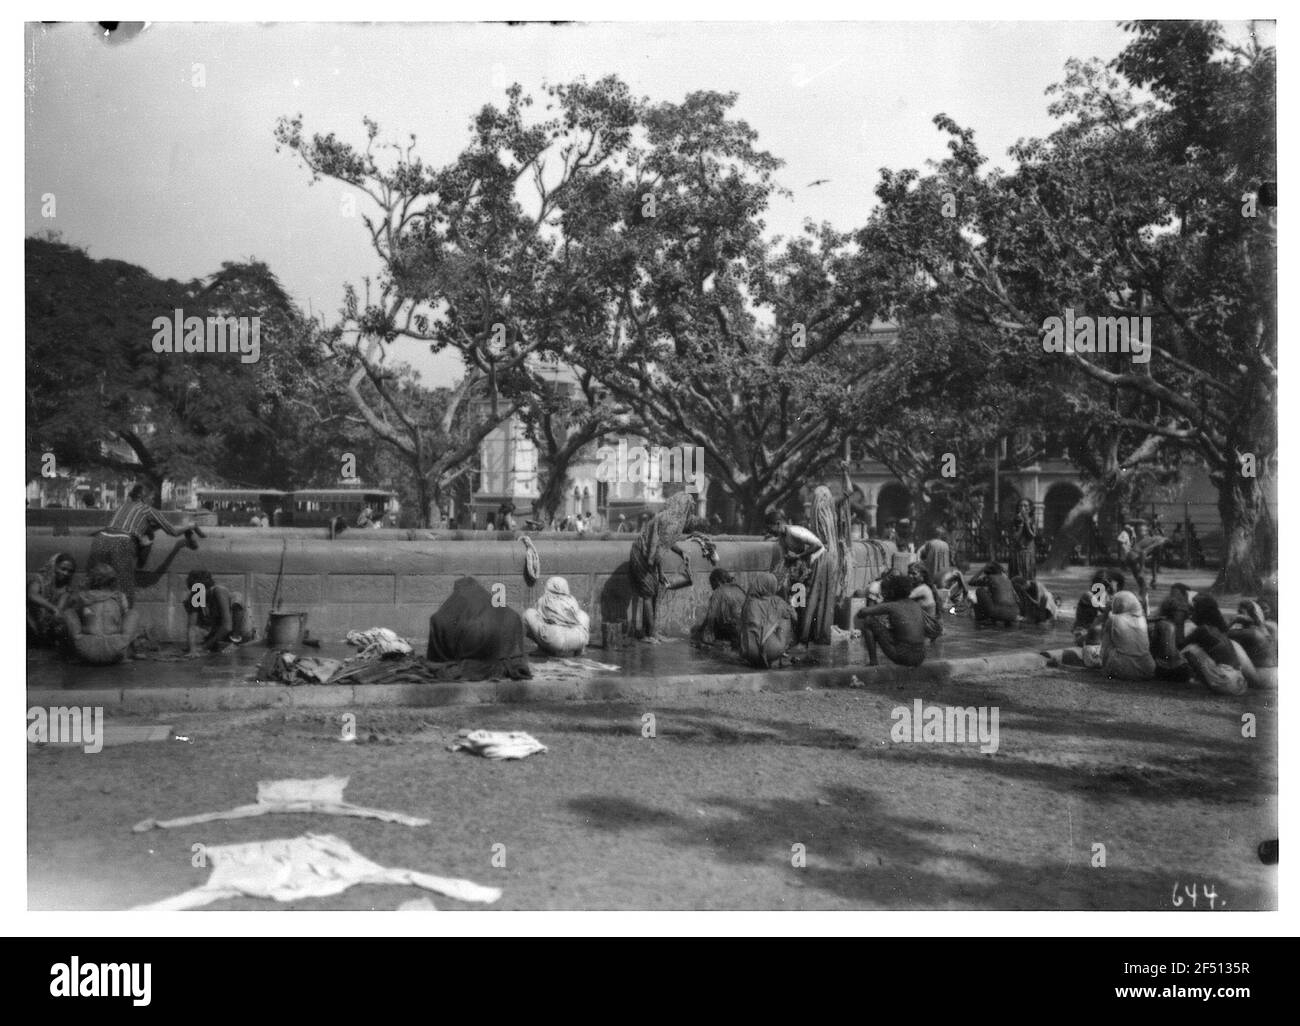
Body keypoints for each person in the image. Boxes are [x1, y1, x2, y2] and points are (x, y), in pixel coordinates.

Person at [89, 484, 203, 607]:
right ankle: (126, 617)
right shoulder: (148, 510)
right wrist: (191, 526)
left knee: (96, 583)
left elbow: (122, 527)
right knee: (125, 588)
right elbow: (173, 532)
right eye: (151, 497)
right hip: (121, 542)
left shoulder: (122, 506)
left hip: (100, 540)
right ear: (142, 497)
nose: (153, 500)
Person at [627, 492, 716, 641]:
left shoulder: (670, 517)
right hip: (642, 555)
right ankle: (649, 634)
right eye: (689, 508)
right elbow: (659, 551)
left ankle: (649, 631)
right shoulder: (672, 520)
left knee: (653, 592)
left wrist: (681, 552)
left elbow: (666, 541)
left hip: (646, 554)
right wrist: (661, 573)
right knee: (648, 593)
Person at [426, 577, 532, 679]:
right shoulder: (508, 613)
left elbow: (439, 623)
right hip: (498, 655)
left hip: (472, 649)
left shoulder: (445, 615)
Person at [63, 562, 139, 666]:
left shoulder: (82, 596)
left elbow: (73, 617)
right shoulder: (120, 597)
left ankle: (74, 656)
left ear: (91, 579)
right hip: (116, 649)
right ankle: (126, 655)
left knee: (68, 612)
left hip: (86, 650)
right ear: (113, 580)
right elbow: (125, 620)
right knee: (132, 613)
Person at [1181, 594, 1253, 696]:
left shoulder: (1202, 630)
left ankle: (1208, 686)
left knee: (1190, 650)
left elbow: (1180, 645)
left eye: (1193, 610)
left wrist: (1180, 621)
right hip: (1240, 683)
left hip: (1227, 684)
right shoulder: (1219, 630)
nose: (1191, 613)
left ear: (1200, 612)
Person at [858, 571, 929, 668]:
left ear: (892, 591)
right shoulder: (915, 605)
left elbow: (862, 612)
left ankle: (873, 662)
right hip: (920, 656)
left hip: (903, 656)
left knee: (868, 621)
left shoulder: (893, 605)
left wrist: (883, 605)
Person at [735, 572, 796, 668]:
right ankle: (778, 655)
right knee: (786, 616)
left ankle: (757, 658)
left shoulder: (748, 603)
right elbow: (795, 617)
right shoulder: (777, 601)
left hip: (749, 652)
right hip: (772, 650)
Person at [182, 569, 249, 655]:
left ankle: (235, 641)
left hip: (238, 630)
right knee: (188, 601)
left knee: (237, 598)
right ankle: (218, 641)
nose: (197, 594)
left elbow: (227, 626)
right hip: (220, 630)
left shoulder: (219, 591)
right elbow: (191, 626)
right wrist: (192, 649)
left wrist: (204, 647)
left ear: (207, 587)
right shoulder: (195, 595)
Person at [523, 576, 590, 656]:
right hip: (578, 639)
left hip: (554, 640)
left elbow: (538, 617)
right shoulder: (572, 600)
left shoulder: (544, 600)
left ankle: (543, 649)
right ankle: (580, 649)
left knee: (528, 613)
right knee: (582, 614)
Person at [1099, 590, 1156, 680]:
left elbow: (1105, 644)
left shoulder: (1113, 619)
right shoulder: (1142, 620)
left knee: (1110, 642)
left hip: (1122, 668)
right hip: (1147, 669)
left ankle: (1105, 669)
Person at [28, 552, 78, 647]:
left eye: (70, 571)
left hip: (46, 625)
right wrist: (52, 608)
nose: (66, 573)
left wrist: (56, 615)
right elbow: (32, 595)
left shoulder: (66, 589)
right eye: (63, 569)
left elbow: (59, 609)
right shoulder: (39, 578)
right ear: (54, 566)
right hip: (30, 621)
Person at [1227, 600, 1278, 689]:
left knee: (1233, 644)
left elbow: (1221, 635)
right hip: (1275, 675)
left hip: (1263, 679)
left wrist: (1234, 621)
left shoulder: (1250, 632)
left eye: (1240, 612)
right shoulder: (1266, 628)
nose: (1237, 614)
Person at [693, 568, 748, 646]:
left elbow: (710, 617)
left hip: (732, 632)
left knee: (698, 634)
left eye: (712, 584)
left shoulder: (718, 592)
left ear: (717, 581)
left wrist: (700, 633)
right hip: (746, 633)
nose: (712, 588)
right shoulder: (739, 589)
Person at [970, 562, 1019, 626]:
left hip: (999, 613)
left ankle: (983, 618)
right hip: (1014, 614)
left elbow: (971, 582)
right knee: (995, 594)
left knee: (979, 591)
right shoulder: (1007, 580)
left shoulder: (990, 578)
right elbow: (1017, 598)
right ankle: (1006, 621)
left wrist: (982, 569)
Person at [905, 563, 944, 641]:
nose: (910, 576)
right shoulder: (919, 587)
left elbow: (901, 598)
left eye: (914, 574)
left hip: (926, 632)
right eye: (908, 573)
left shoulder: (922, 589)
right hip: (927, 630)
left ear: (922, 576)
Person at [1011, 499, 1037, 581]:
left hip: (1028, 552)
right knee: (1017, 575)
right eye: (1021, 506)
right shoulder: (1015, 520)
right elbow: (1015, 537)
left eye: (1025, 506)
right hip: (1018, 551)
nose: (1023, 508)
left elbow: (1032, 535)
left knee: (1028, 575)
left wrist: (1026, 522)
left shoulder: (1033, 520)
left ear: (1030, 508)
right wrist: (1021, 524)